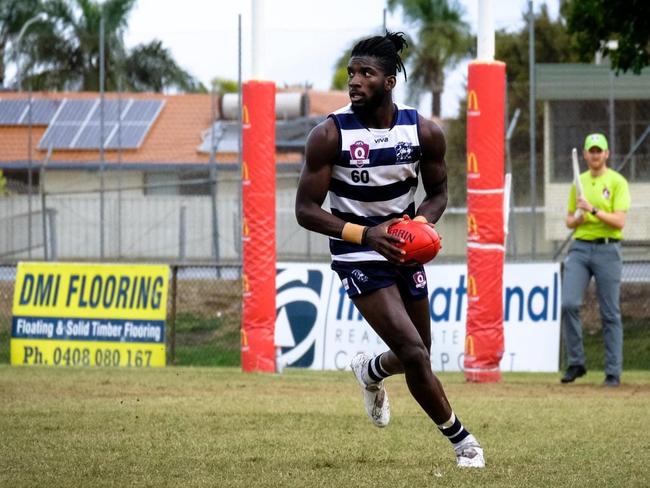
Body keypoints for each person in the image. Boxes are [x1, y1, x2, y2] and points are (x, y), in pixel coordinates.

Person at [295, 32, 484, 469]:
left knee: (418, 352)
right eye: (351, 73)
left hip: (403, 249)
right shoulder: (329, 135)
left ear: (390, 80)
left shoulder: (423, 131)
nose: (355, 81)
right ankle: (464, 442)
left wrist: (420, 224)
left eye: (366, 73)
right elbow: (305, 210)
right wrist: (366, 235)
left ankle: (371, 371)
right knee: (416, 353)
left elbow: (438, 193)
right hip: (358, 252)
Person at [561, 133, 631, 387]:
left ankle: (613, 371)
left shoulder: (617, 182)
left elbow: (619, 221)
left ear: (606, 153)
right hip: (580, 248)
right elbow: (569, 220)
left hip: (608, 249)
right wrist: (579, 216)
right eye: (591, 150)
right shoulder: (577, 182)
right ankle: (576, 362)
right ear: (585, 154)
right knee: (568, 303)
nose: (594, 154)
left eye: (598, 150)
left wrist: (592, 209)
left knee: (610, 312)